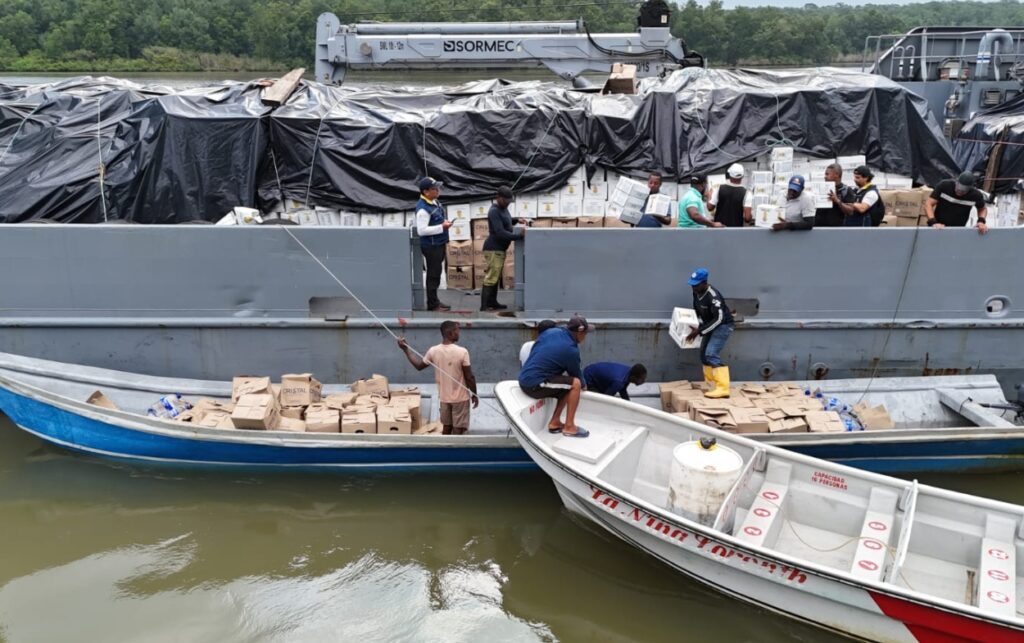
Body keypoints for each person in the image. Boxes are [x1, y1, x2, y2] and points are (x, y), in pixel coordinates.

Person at [397, 320, 478, 435]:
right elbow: (469, 377)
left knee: (446, 428)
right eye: (457, 330)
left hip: (444, 399)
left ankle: (445, 451)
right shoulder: (462, 352)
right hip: (460, 400)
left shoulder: (433, 351)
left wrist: (406, 350)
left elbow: (419, 366)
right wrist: (474, 394)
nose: (458, 333)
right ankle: (454, 452)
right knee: (458, 431)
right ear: (450, 333)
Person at [518, 315, 592, 438]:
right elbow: (578, 377)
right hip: (535, 385)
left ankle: (555, 422)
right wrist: (584, 386)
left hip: (524, 378)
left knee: (566, 387)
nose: (585, 336)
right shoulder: (571, 350)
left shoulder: (551, 332)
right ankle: (569, 427)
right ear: (579, 333)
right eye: (585, 333)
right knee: (576, 384)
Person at [684, 268, 734, 399]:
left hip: (723, 326)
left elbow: (719, 318)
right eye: (691, 285)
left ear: (704, 283)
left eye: (695, 285)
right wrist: (693, 323)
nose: (693, 287)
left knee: (711, 354)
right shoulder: (696, 292)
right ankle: (711, 383)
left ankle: (723, 388)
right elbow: (697, 310)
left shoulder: (713, 296)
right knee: (703, 355)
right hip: (709, 324)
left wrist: (699, 331)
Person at [481, 186, 525, 311]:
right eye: (506, 201)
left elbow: (506, 220)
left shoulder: (503, 209)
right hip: (493, 249)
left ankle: (492, 302)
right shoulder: (494, 211)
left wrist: (516, 220)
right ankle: (484, 307)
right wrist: (518, 236)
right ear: (498, 198)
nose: (508, 204)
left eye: (509, 201)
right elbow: (500, 232)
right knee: (491, 277)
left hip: (499, 249)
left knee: (495, 277)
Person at [415, 177, 454, 311]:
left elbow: (436, 220)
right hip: (431, 246)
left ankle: (435, 301)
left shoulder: (434, 202)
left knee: (436, 274)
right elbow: (421, 231)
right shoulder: (423, 210)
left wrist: (444, 223)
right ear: (426, 192)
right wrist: (442, 227)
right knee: (433, 275)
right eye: (434, 188)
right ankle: (432, 304)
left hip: (438, 244)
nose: (438, 190)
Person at [924, 171, 989, 234]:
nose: (959, 192)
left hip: (958, 231)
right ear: (956, 182)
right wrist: (933, 222)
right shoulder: (944, 186)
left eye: (963, 191)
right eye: (958, 189)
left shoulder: (975, 195)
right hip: (938, 228)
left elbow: (982, 209)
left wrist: (981, 221)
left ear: (970, 188)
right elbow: (928, 204)